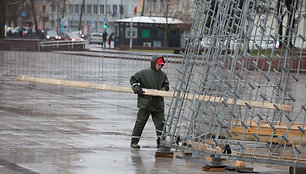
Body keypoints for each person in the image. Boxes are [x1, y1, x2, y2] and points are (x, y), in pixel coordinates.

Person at [130, 55, 169, 148]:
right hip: (145, 103)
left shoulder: (163, 75)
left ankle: (161, 141)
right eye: (158, 64)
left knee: (161, 124)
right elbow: (133, 79)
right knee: (140, 122)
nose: (159, 66)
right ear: (154, 63)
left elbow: (166, 86)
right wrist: (137, 89)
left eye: (161, 65)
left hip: (158, 104)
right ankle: (134, 141)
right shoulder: (143, 73)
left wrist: (162, 91)